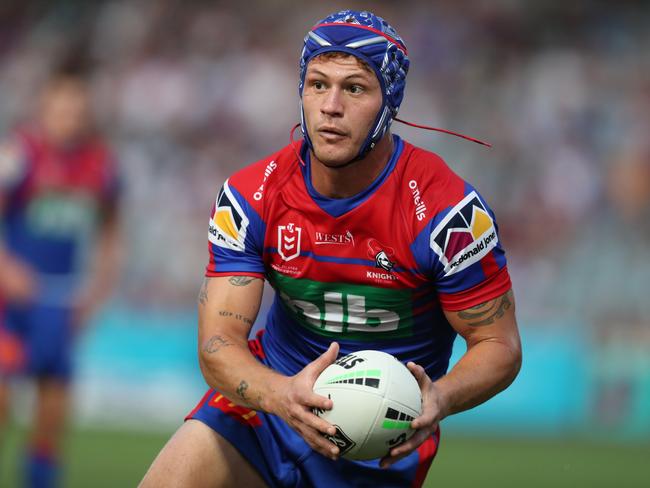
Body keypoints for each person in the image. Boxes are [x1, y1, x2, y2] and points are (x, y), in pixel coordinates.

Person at [141, 9, 521, 488]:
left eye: (355, 88)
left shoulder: (448, 214)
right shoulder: (249, 196)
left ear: (390, 102)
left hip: (380, 443)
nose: (331, 106)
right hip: (267, 407)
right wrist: (282, 396)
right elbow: (218, 345)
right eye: (317, 84)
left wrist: (439, 399)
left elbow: (499, 345)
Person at [0, 67, 122, 487]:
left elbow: (111, 231)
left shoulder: (100, 164)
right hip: (10, 306)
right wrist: (6, 268)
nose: (68, 116)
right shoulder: (19, 154)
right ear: (44, 108)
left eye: (76, 108)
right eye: (60, 107)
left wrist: (97, 290)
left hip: (60, 302)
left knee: (52, 417)